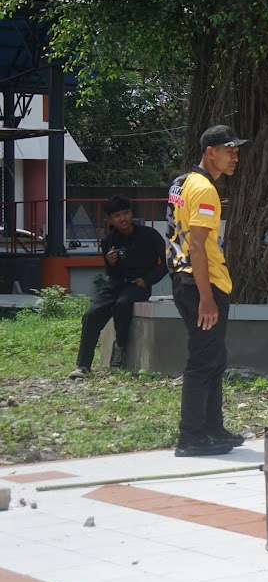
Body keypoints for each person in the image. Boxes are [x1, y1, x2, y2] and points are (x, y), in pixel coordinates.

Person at [166, 125, 249, 457]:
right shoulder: (205, 190)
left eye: (237, 151)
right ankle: (191, 438)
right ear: (210, 152)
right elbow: (198, 245)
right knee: (203, 361)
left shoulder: (182, 182)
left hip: (184, 278)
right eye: (229, 150)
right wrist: (206, 298)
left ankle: (213, 430)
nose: (235, 157)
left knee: (215, 358)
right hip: (202, 282)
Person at [70, 197, 167, 378]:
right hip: (116, 284)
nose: (123, 218)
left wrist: (147, 280)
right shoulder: (109, 240)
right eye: (117, 215)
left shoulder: (149, 235)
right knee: (92, 313)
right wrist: (111, 263)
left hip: (138, 285)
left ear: (131, 213)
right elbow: (111, 274)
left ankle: (119, 349)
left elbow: (166, 262)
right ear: (110, 219)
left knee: (123, 304)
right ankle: (83, 365)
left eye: (126, 213)